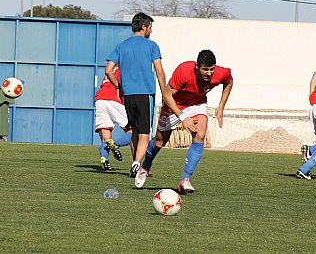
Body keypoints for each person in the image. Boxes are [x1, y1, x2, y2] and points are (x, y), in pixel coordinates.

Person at [135, 49, 233, 192]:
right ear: (197, 66)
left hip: (197, 104)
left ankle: (185, 179)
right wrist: (183, 118)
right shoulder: (184, 71)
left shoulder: (221, 73)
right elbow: (167, 94)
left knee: (200, 134)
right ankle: (145, 167)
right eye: (205, 69)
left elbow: (229, 81)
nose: (209, 73)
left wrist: (221, 106)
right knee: (159, 142)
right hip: (174, 105)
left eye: (212, 69)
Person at [105, 12, 167, 178]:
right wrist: (165, 93)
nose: (151, 31)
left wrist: (119, 85)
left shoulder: (121, 46)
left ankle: (136, 169)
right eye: (150, 28)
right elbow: (160, 72)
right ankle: (138, 164)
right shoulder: (151, 46)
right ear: (144, 27)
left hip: (128, 96)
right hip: (145, 93)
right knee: (145, 134)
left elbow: (108, 70)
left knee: (134, 131)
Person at [94, 64, 133, 171]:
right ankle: (114, 143)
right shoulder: (126, 67)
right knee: (134, 132)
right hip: (113, 99)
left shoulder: (113, 66)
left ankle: (105, 160)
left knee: (105, 133)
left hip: (100, 99)